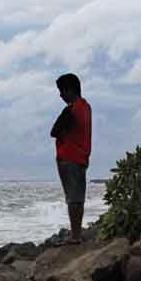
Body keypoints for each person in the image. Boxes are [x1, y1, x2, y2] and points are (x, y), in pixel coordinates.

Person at [50, 73, 92, 244]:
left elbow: (54, 131)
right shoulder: (86, 107)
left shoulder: (71, 110)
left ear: (70, 90)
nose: (61, 95)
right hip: (81, 157)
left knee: (73, 198)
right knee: (78, 198)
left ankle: (75, 236)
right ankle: (77, 233)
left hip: (68, 157)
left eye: (62, 91)